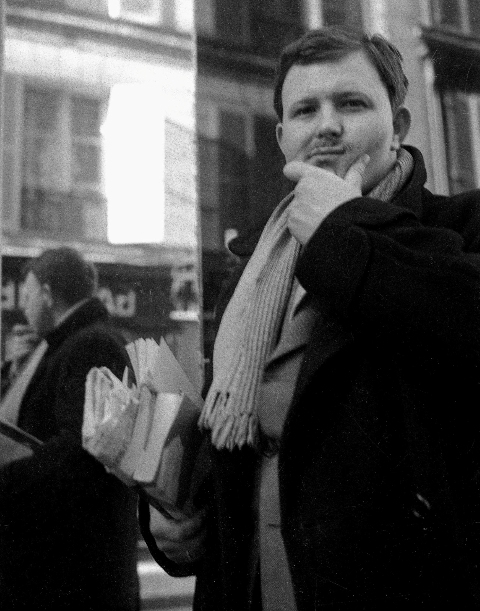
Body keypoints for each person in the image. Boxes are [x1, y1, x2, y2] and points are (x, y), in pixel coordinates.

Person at [139, 27, 480, 609]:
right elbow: (239, 453)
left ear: (398, 125)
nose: (326, 126)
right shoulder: (255, 269)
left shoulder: (460, 228)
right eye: (304, 111)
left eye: (351, 103)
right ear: (282, 138)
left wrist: (343, 229)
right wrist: (177, 522)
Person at [0, 247, 140, 610]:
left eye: (28, 295)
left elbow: (80, 450)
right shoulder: (68, 344)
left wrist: (7, 476)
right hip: (67, 564)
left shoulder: (89, 344)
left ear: (48, 295)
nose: (24, 307)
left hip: (76, 571)